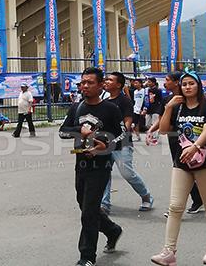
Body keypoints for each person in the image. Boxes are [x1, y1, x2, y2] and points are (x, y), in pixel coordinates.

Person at [151, 71, 206, 265]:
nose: (187, 87)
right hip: (181, 163)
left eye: (192, 83)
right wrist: (168, 108)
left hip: (205, 163)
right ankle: (169, 251)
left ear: (198, 86)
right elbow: (165, 130)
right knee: (175, 207)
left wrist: (195, 146)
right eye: (184, 84)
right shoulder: (176, 106)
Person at [59, 67, 123, 266]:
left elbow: (122, 137)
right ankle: (112, 230)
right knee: (85, 205)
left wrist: (106, 145)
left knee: (88, 211)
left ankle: (87, 256)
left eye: (90, 82)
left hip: (101, 166)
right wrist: (80, 131)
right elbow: (63, 132)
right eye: (83, 82)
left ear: (101, 85)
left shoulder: (110, 109)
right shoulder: (77, 108)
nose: (85, 86)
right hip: (81, 164)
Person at [100, 72, 153, 214]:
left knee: (127, 173)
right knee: (103, 173)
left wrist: (118, 135)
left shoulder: (124, 101)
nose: (106, 82)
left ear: (118, 85)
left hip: (122, 143)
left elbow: (128, 122)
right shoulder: (103, 100)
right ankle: (104, 204)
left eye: (110, 80)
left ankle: (146, 196)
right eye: (106, 79)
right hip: (104, 144)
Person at [162, 72, 204, 216]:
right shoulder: (169, 100)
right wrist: (152, 130)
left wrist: (204, 143)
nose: (187, 87)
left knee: (186, 172)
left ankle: (179, 206)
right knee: (183, 172)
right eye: (184, 84)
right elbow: (164, 121)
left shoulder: (193, 102)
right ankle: (195, 200)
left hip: (190, 143)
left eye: (168, 80)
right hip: (174, 140)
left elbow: (201, 125)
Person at [143, 77, 164, 145]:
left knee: (154, 124)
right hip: (149, 109)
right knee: (148, 124)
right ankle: (151, 135)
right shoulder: (147, 90)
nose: (148, 83)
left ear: (153, 82)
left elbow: (161, 100)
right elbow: (146, 100)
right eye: (147, 82)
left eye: (149, 82)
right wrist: (144, 108)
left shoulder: (158, 90)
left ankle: (155, 138)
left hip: (156, 109)